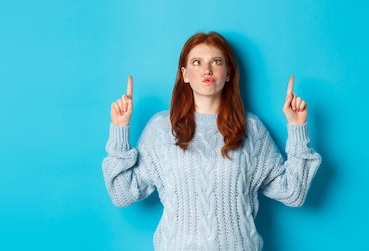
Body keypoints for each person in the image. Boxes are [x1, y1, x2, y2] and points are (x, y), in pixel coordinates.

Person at [102, 32, 322, 250]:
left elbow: (293, 193)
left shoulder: (250, 129)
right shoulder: (161, 129)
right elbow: (123, 194)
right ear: (185, 74)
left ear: (228, 73)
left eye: (216, 62)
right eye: (197, 62)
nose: (206, 70)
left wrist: (297, 127)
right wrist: (120, 130)